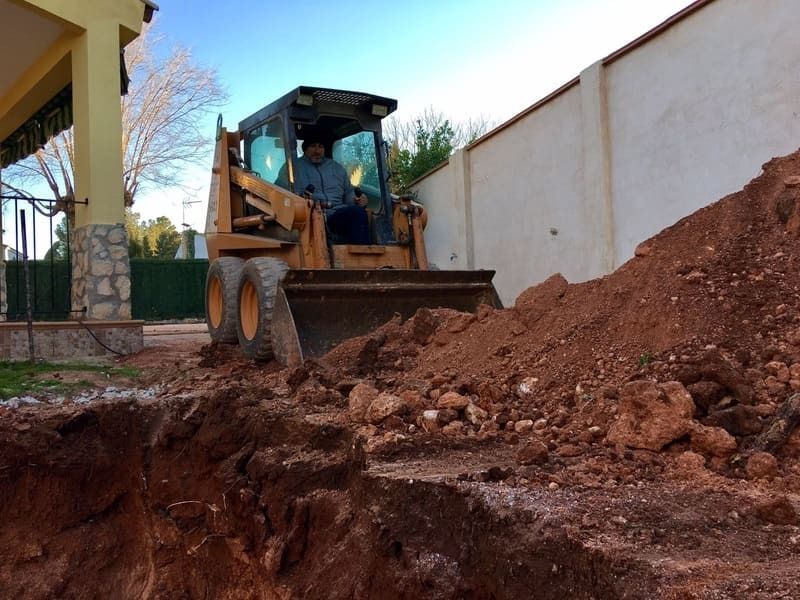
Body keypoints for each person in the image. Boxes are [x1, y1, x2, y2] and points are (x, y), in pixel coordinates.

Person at [293, 134, 371, 245]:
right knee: (356, 214)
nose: (317, 151)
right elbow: (281, 192)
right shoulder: (294, 167)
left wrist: (358, 200)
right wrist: (300, 199)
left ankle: (363, 255)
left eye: (320, 147)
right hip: (310, 216)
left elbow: (348, 192)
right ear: (305, 149)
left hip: (337, 214)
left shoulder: (336, 168)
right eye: (313, 146)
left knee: (359, 212)